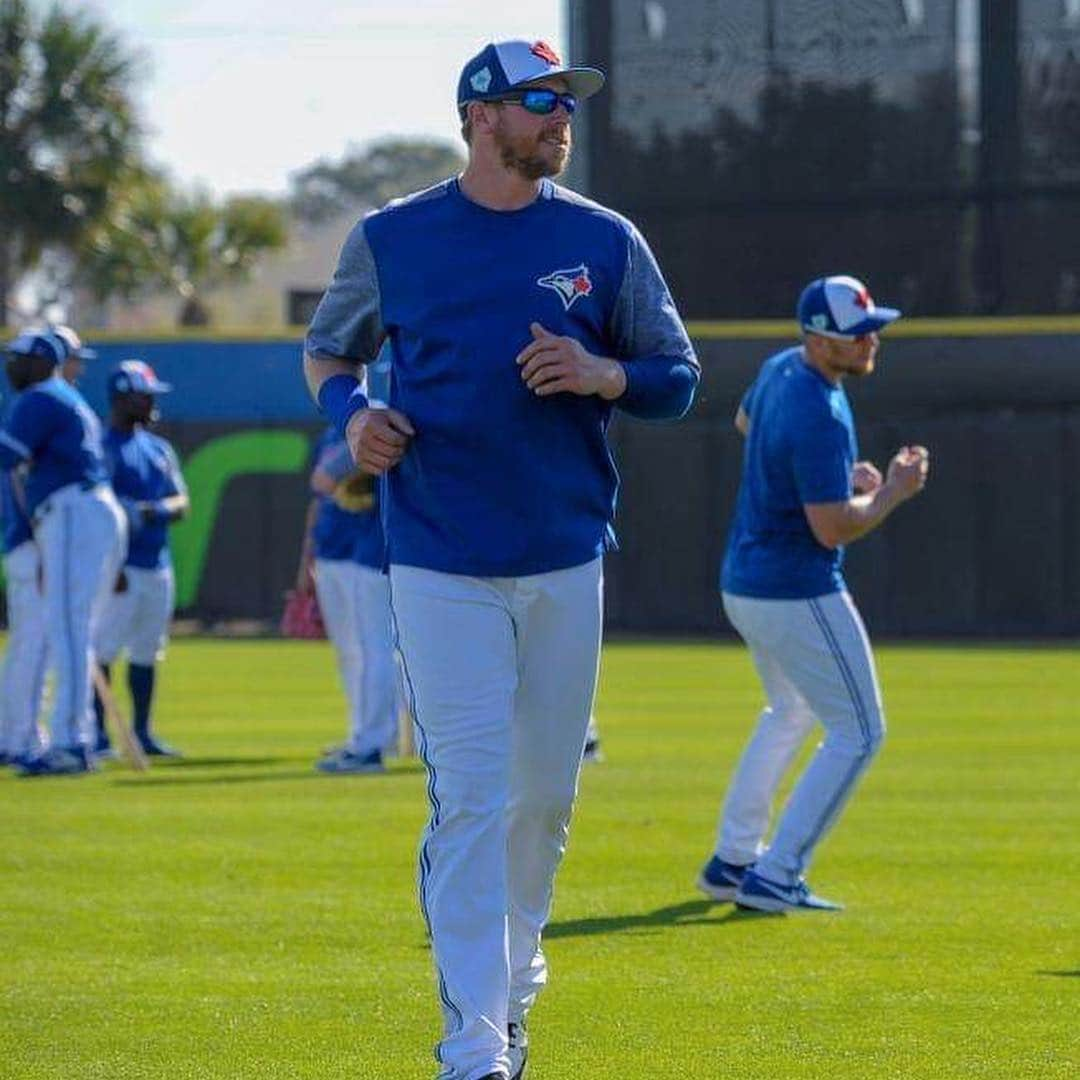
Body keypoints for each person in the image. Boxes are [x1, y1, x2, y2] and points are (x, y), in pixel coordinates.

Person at [304, 37, 699, 1080]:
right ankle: (472, 1044)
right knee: (471, 796)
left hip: (567, 553)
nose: (562, 119)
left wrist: (602, 371)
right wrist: (358, 418)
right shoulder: (393, 238)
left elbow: (677, 378)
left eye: (567, 101)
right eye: (541, 102)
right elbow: (329, 352)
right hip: (436, 555)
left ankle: (515, 994)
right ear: (481, 116)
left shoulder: (606, 240)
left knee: (544, 801)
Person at [697, 275, 929, 914]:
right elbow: (831, 529)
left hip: (744, 582)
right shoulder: (821, 410)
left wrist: (827, 478)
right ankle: (775, 876)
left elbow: (748, 422)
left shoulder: (781, 368)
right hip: (795, 588)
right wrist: (891, 492)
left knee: (789, 712)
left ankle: (733, 860)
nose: (870, 339)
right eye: (857, 333)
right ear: (821, 340)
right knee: (861, 732)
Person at [0, 331, 126, 776]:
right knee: (73, 630)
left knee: (69, 629)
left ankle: (72, 742)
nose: (10, 366)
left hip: (73, 508)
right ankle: (70, 736)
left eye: (17, 359)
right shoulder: (62, 396)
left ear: (38, 361)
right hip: (85, 509)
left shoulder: (39, 397)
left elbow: (6, 455)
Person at [92, 361, 189, 758]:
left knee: (148, 650)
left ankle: (142, 732)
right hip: (120, 565)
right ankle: (97, 736)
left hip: (156, 562)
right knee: (103, 650)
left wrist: (151, 511)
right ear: (122, 397)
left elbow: (181, 501)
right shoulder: (100, 447)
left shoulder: (157, 447)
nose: (151, 403)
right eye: (143, 395)